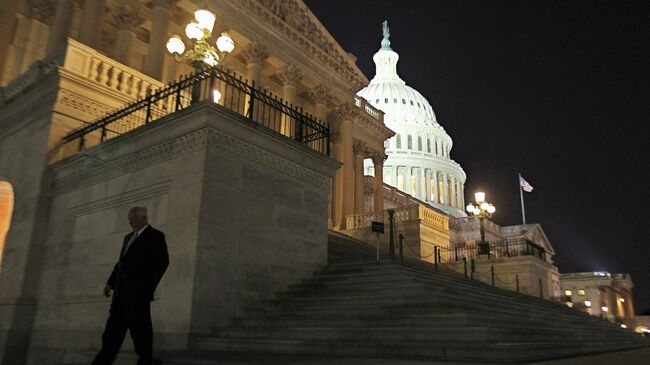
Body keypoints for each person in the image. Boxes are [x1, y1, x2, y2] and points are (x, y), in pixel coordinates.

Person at [93, 206, 169, 365]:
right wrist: (110, 282)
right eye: (129, 219)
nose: (130, 222)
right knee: (111, 333)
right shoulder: (128, 237)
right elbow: (121, 263)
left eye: (132, 219)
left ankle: (146, 360)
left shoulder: (155, 236)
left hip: (138, 295)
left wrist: (147, 290)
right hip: (120, 294)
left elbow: (161, 264)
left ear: (143, 218)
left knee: (141, 332)